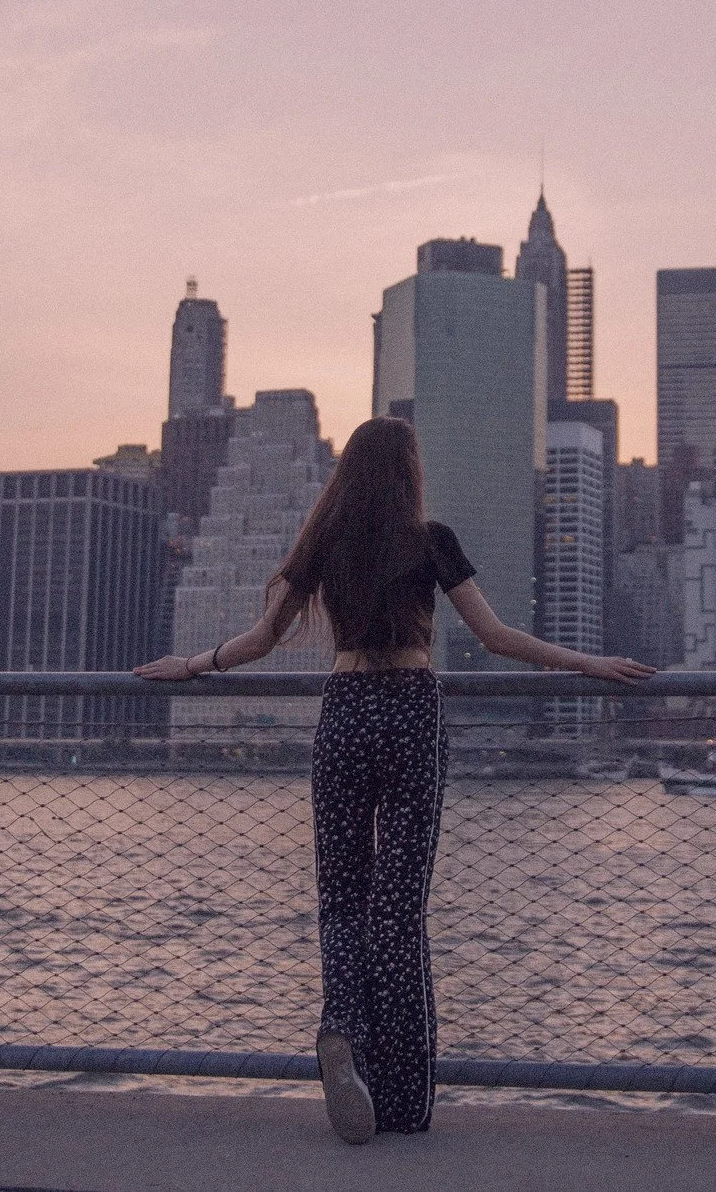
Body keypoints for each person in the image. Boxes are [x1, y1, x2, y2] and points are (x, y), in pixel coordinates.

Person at [136, 415, 654, 1142]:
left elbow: (258, 643)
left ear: (347, 474)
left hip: (343, 713)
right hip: (410, 712)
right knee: (397, 911)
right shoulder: (430, 539)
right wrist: (591, 664)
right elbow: (496, 637)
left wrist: (188, 664)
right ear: (409, 472)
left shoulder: (321, 546)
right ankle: (405, 1102)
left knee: (341, 900)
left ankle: (343, 1027)